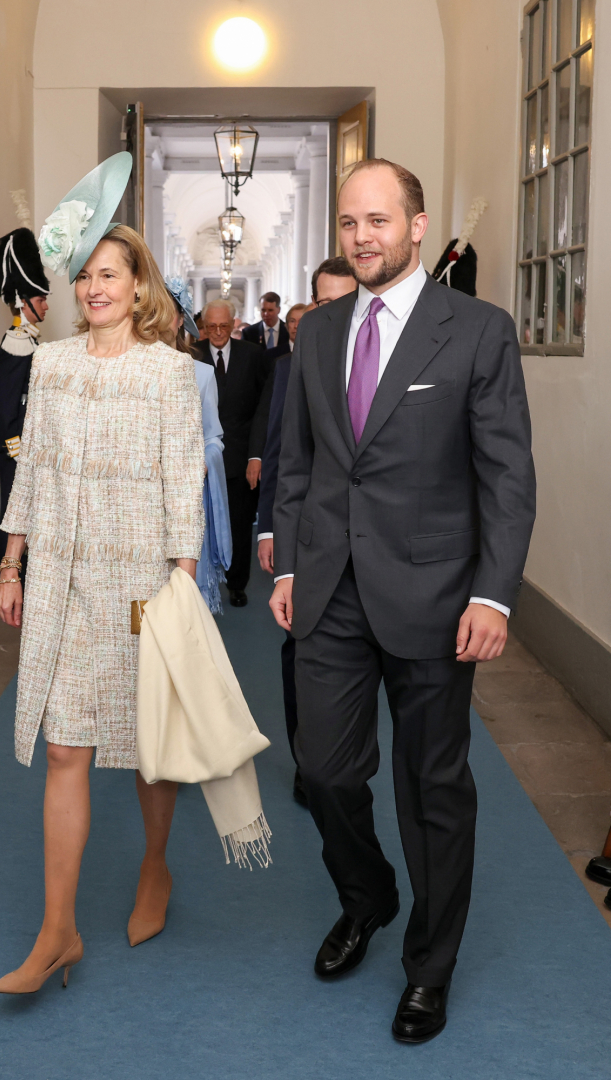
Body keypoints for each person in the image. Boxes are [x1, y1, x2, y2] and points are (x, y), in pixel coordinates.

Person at [270, 158, 535, 1043]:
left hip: (436, 596)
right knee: (323, 769)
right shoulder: (317, 333)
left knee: (433, 789)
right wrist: (288, 568)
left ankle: (430, 966)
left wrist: (494, 595)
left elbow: (506, 476)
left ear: (418, 227)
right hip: (331, 592)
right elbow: (302, 462)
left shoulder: (478, 331)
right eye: (350, 222)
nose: (362, 237)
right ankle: (369, 896)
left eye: (378, 220)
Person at [0, 152, 206, 994]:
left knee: (150, 745)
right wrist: (12, 565)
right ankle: (58, 931)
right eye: (83, 277)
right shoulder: (53, 364)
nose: (93, 289)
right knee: (64, 747)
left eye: (108, 274)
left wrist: (183, 581)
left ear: (137, 283)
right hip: (64, 583)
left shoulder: (169, 371)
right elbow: (33, 472)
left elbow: (183, 478)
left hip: (143, 584)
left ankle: (156, 865)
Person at [258, 261, 357, 805]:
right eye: (323, 303)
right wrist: (269, 530)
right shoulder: (292, 366)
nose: (333, 312)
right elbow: (282, 453)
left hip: (378, 550)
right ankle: (307, 760)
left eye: (345, 300)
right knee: (299, 653)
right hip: (312, 540)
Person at [198, 299, 272, 607]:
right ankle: (202, 583)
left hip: (242, 459)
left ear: (233, 324)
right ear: (204, 327)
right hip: (201, 459)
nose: (218, 332)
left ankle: (237, 583)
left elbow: (263, 409)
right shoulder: (190, 354)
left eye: (224, 326)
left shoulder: (253, 355)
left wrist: (256, 456)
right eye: (211, 326)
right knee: (201, 526)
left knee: (240, 524)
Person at [165, 276, 232, 613]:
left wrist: (203, 461)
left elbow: (212, 436)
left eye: (166, 311)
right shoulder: (123, 369)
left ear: (181, 320)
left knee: (182, 602)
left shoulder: (201, 374)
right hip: (135, 499)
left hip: (184, 499)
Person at [0, 225, 50, 568]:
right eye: (41, 300)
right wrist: (16, 444)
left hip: (28, 445)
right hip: (17, 446)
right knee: (13, 516)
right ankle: (8, 577)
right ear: (23, 302)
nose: (46, 306)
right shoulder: (16, 340)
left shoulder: (29, 339)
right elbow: (4, 400)